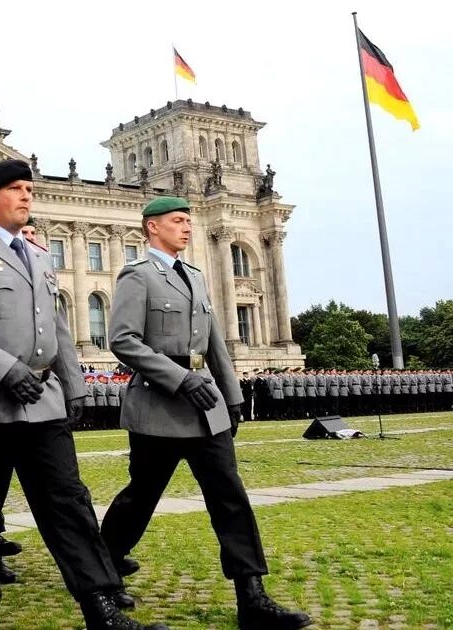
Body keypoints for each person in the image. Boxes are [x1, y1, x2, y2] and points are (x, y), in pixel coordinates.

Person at [0, 159, 157, 630]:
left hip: (43, 400)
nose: (26, 195)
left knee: (68, 503)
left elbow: (55, 325)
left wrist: (73, 386)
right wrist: (5, 370)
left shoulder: (38, 255)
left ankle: (100, 604)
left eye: (29, 188)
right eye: (15, 188)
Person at [100, 196, 311, 630]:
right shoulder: (138, 276)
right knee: (142, 496)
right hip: (160, 404)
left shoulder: (194, 275)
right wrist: (178, 379)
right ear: (152, 228)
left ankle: (252, 596)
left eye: (187, 221)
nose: (186, 227)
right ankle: (104, 567)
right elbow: (122, 340)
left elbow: (214, 339)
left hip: (206, 405)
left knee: (230, 498)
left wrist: (231, 396)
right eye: (178, 221)